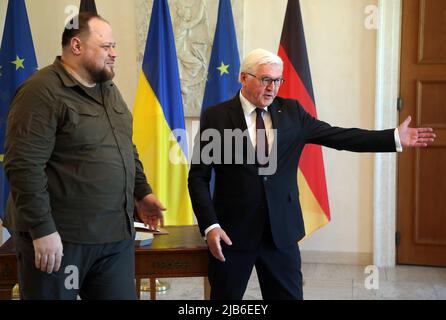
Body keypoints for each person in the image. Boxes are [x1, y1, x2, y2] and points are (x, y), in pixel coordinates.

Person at [188, 48, 436, 300]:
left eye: (277, 80)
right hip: (232, 235)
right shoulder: (216, 117)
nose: (273, 88)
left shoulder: (293, 112)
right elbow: (198, 178)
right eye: (265, 80)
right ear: (243, 77)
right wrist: (210, 226)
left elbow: (340, 136)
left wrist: (393, 137)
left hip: (281, 233)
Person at [3, 13, 165, 300]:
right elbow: (23, 166)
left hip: (114, 236)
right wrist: (42, 230)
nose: (114, 53)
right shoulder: (41, 91)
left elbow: (125, 146)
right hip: (62, 240)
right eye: (106, 47)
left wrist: (142, 192)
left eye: (114, 46)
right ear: (76, 46)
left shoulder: (108, 90)